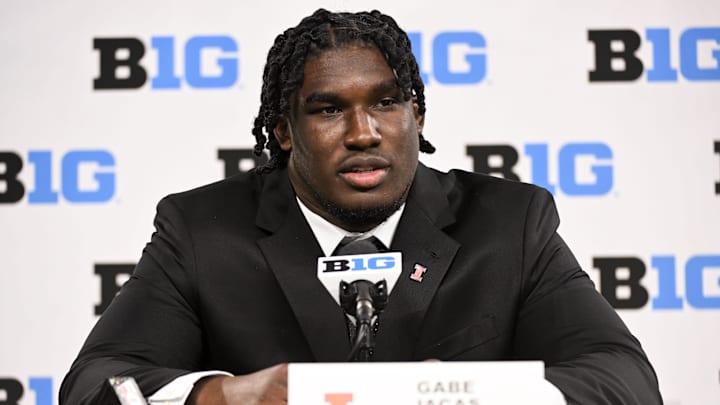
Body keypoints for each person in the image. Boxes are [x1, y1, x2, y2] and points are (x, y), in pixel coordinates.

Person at [60, 9, 663, 405]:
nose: (364, 132)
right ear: (285, 132)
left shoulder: (509, 222)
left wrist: (470, 393)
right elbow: (95, 384)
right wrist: (226, 396)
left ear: (416, 117)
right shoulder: (201, 230)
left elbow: (623, 378)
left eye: (387, 103)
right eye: (328, 110)